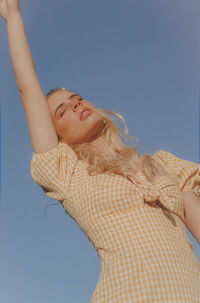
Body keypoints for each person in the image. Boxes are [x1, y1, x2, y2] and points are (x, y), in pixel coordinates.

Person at [1, 1, 200, 302]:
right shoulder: (68, 172)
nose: (75, 105)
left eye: (77, 98)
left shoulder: (165, 165)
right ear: (59, 138)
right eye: (61, 111)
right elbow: (27, 90)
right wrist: (13, 16)